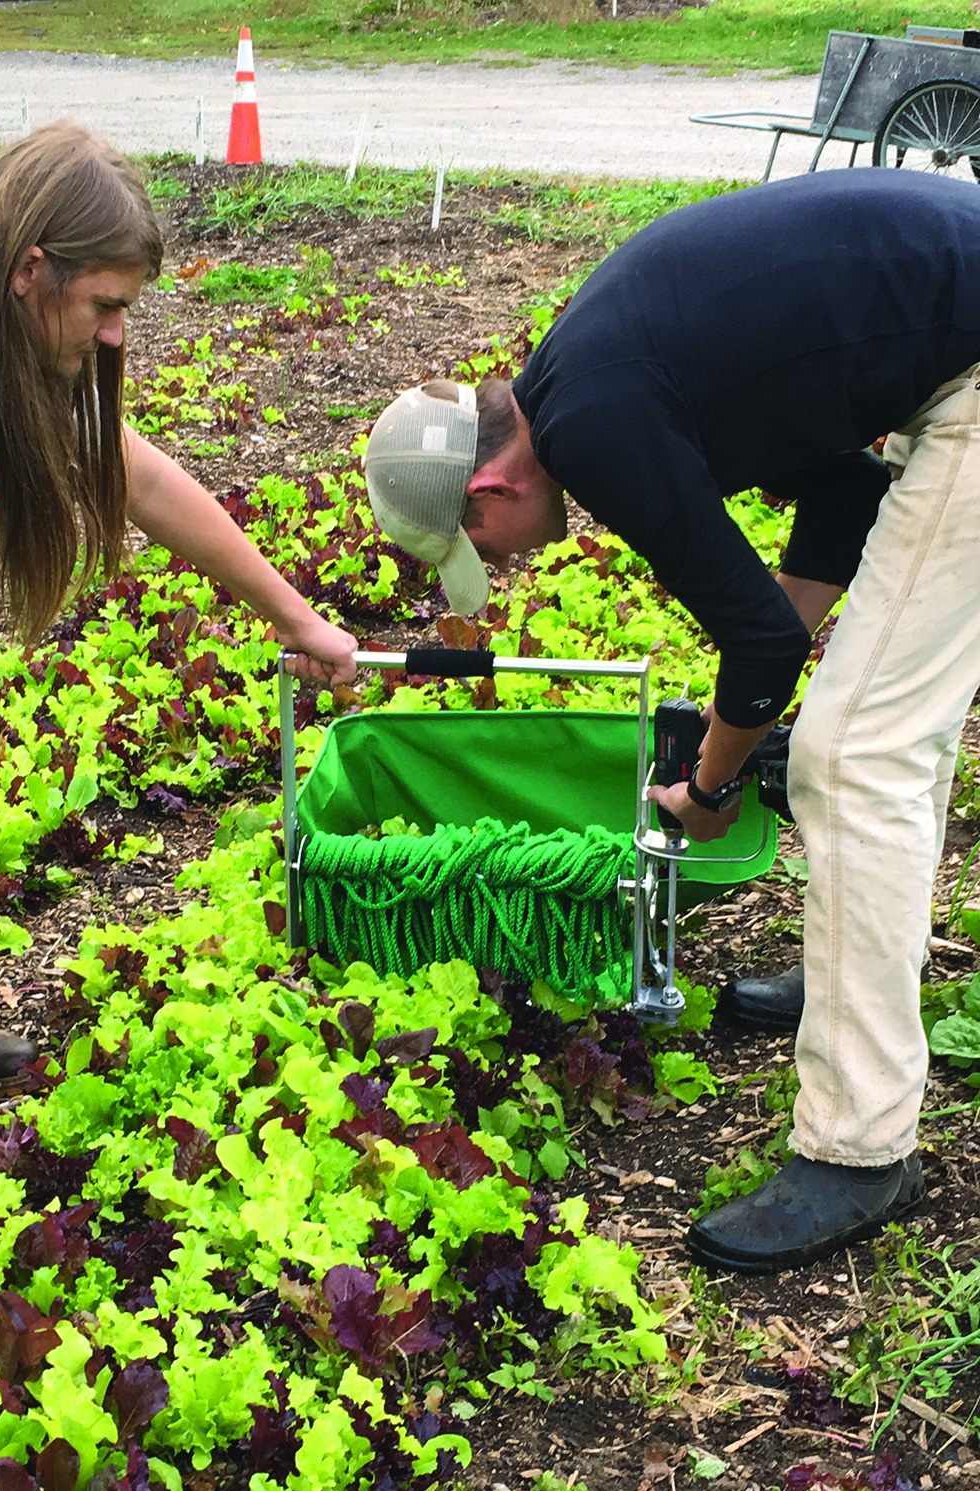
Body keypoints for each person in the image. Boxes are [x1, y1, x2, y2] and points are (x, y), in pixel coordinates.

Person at [362, 166, 980, 1275]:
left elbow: (763, 648)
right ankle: (853, 979)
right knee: (876, 725)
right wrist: (738, 715)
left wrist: (708, 783)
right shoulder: (588, 371)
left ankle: (860, 1149)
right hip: (950, 339)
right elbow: (841, 499)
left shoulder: (596, 427)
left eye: (478, 550)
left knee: (855, 752)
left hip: (970, 368)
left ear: (487, 492)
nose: (498, 566)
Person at [0, 122, 356, 1245]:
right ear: (32, 271)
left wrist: (296, 616)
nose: (115, 332)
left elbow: (125, 469)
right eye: (105, 305)